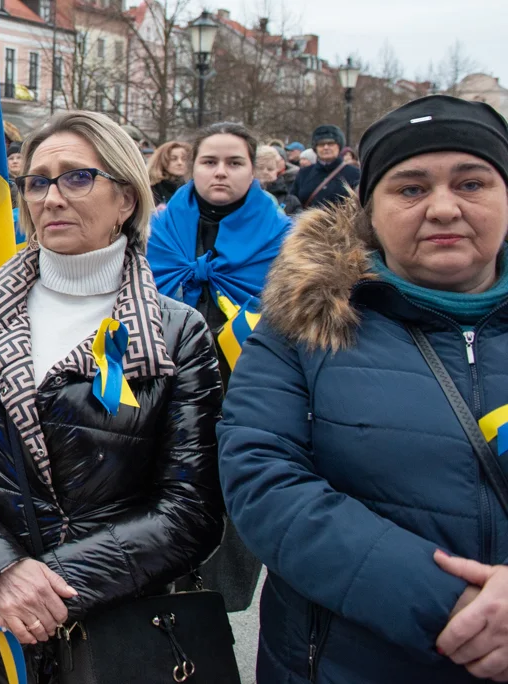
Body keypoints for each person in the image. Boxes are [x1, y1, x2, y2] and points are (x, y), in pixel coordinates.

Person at [0, 111, 226, 683]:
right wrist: (1, 570)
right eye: (38, 181)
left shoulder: (178, 332)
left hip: (112, 627)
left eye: (76, 177)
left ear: (125, 199)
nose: (51, 197)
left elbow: (190, 510)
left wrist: (48, 585)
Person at [218, 95, 508, 684]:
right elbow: (263, 478)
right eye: (410, 188)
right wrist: (448, 603)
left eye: (472, 183)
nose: (444, 208)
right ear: (369, 211)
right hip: (342, 660)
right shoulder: (300, 324)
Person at [146, 122, 291, 613]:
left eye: (234, 163)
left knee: (231, 498)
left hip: (247, 394)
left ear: (255, 169)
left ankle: (214, 606)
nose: (221, 172)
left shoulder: (285, 240)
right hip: (164, 390)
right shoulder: (159, 228)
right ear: (192, 166)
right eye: (210, 162)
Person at [292, 124, 361, 209]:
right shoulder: (304, 173)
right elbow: (293, 202)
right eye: (321, 144)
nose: (326, 147)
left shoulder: (354, 174)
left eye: (330, 143)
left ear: (339, 146)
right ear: (315, 148)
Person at [256, 145, 302, 216]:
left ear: (277, 170)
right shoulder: (241, 196)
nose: (265, 172)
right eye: (260, 168)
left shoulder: (291, 201)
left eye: (270, 169)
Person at [147, 140, 191, 206]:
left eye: (184, 159)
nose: (180, 162)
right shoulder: (152, 188)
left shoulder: (193, 186)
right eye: (173, 159)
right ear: (162, 161)